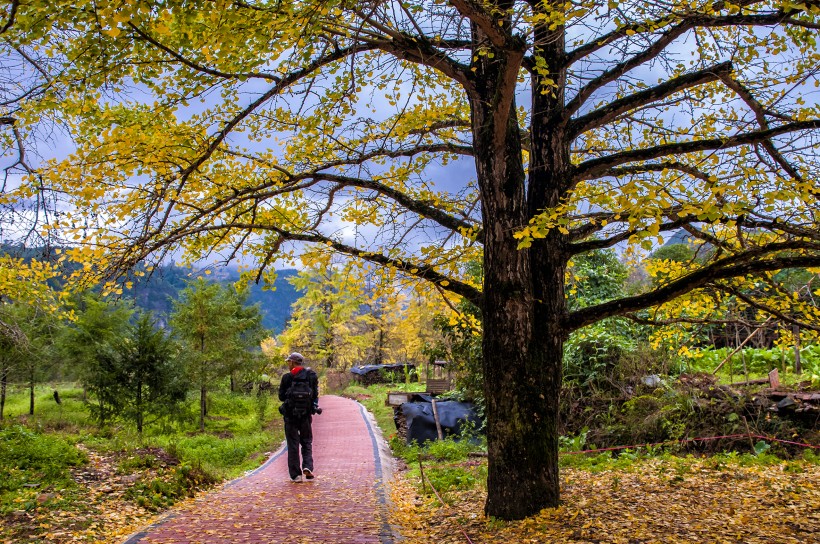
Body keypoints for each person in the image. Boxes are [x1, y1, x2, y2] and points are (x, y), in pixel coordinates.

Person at [278, 352, 319, 482]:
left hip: (290, 416)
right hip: (305, 415)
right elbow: (315, 394)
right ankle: (308, 466)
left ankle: (296, 475)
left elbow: (281, 397)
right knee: (306, 441)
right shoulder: (311, 376)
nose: (288, 364)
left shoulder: (286, 377)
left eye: (288, 362)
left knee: (293, 444)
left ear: (292, 362)